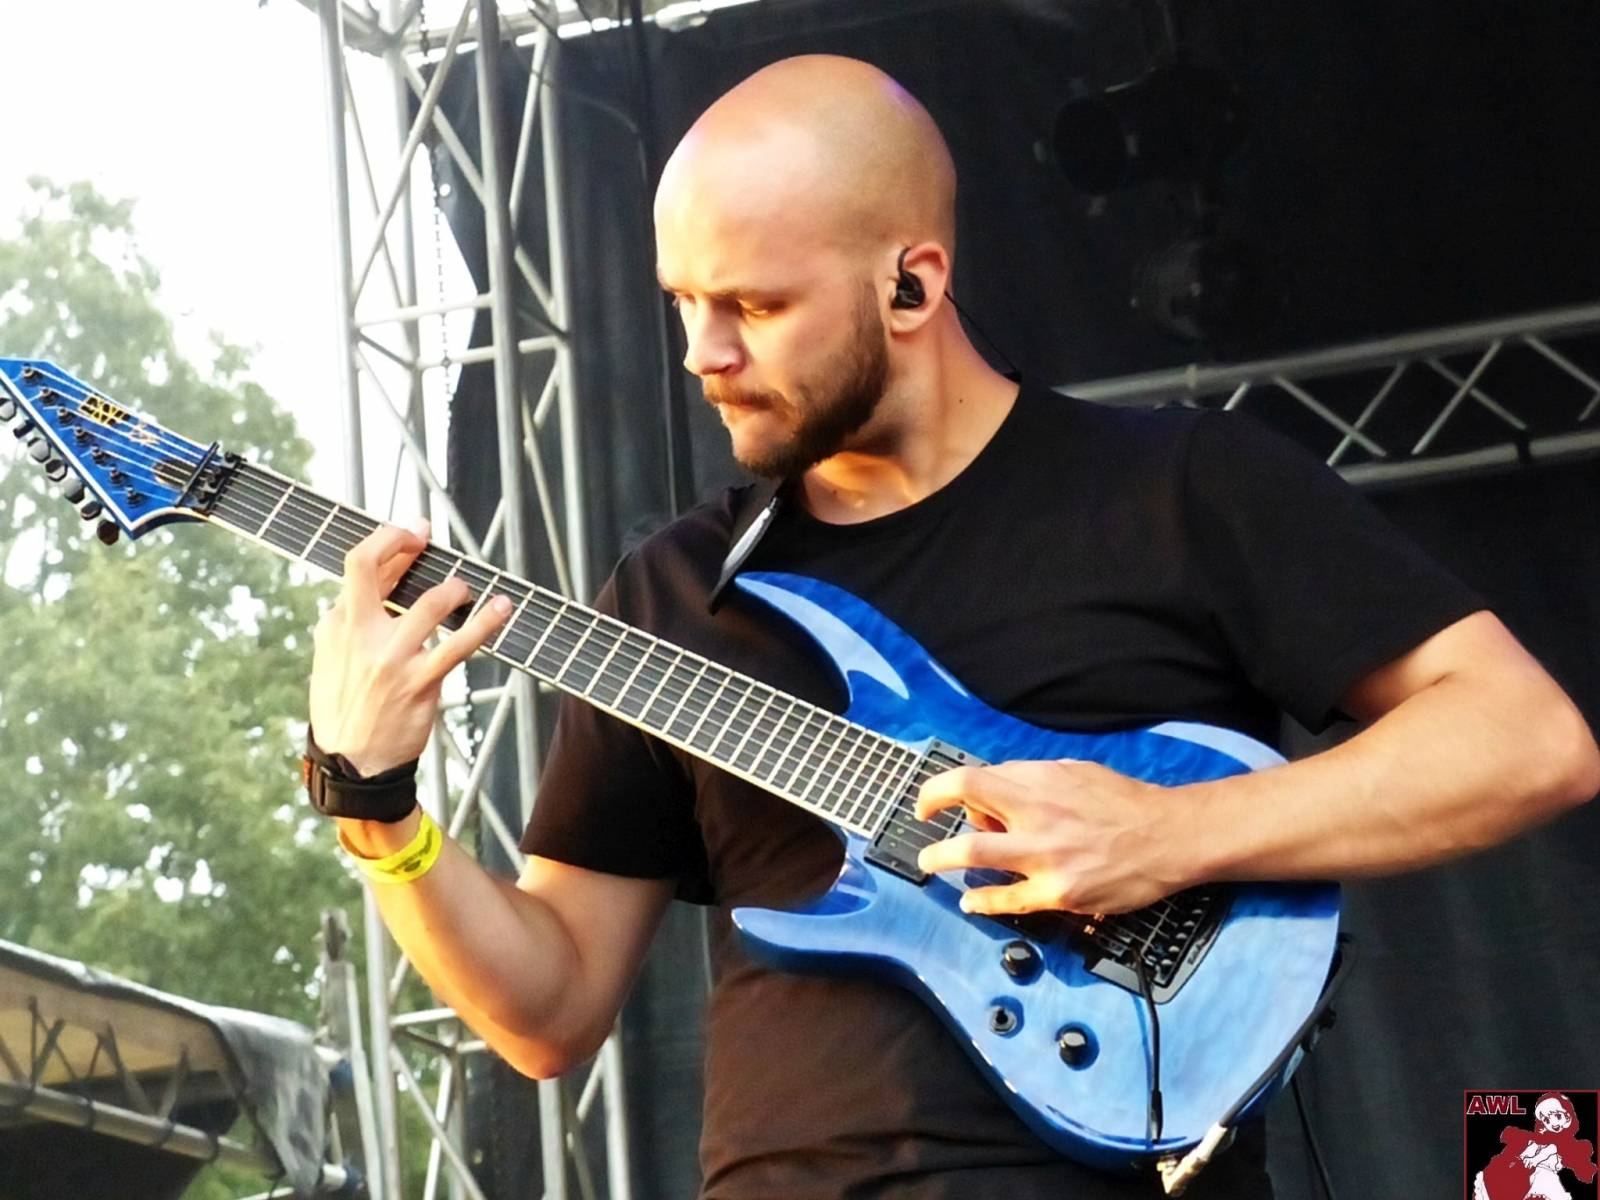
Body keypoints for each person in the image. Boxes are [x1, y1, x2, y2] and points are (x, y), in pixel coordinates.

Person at [307, 55, 1600, 1198]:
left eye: (754, 306)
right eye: (682, 301)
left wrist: (1167, 832)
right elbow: (546, 1013)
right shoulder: (678, 591)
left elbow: (1527, 740)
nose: (702, 353)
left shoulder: (1181, 490)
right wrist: (375, 810)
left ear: (912, 284)